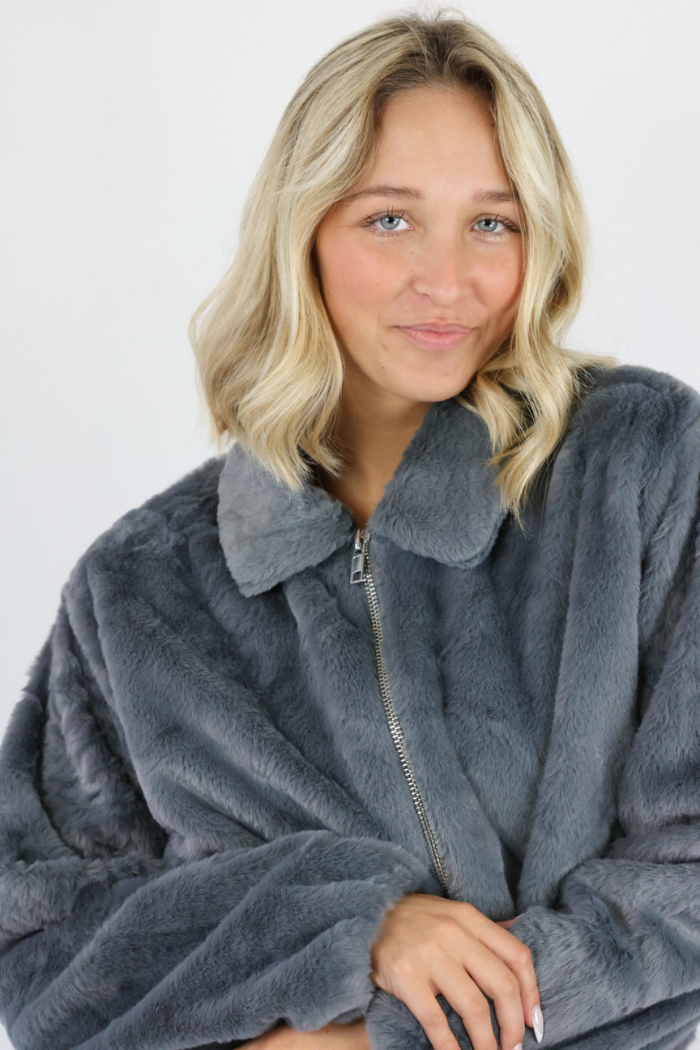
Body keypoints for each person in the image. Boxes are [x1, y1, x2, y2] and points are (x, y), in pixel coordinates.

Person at [2, 9, 700, 1050]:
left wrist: (377, 1039)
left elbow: (684, 887)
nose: (447, 280)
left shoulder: (638, 467)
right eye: (389, 220)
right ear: (305, 233)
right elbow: (37, 949)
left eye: (492, 223)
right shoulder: (138, 591)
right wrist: (343, 922)